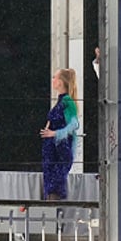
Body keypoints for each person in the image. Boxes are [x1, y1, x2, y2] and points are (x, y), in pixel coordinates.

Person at [40, 68, 80, 200]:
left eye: (54, 77)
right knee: (51, 184)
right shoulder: (61, 100)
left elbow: (74, 124)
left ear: (61, 82)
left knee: (55, 185)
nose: (53, 80)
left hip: (60, 149)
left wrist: (55, 133)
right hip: (53, 150)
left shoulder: (67, 101)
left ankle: (56, 213)